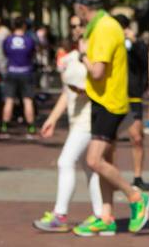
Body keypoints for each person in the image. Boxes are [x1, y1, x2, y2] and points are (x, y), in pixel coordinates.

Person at [73, 0, 149, 237]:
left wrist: (82, 54)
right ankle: (106, 216)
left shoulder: (105, 27)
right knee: (104, 160)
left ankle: (135, 196)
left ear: (82, 7)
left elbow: (97, 72)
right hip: (102, 100)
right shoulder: (98, 26)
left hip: (110, 103)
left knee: (94, 160)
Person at [34, 37, 106, 232]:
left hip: (87, 121)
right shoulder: (72, 58)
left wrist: (84, 90)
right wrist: (52, 119)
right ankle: (101, 215)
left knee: (65, 162)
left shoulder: (96, 59)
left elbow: (100, 89)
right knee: (90, 167)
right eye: (75, 28)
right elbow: (67, 93)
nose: (78, 32)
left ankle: (60, 215)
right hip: (77, 121)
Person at [116, 14, 149, 188]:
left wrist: (135, 42)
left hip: (133, 95)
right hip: (114, 95)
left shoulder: (135, 44)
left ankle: (137, 177)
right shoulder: (110, 41)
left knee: (136, 137)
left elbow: (146, 60)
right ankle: (111, 177)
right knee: (108, 140)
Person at [0, 17, 38, 135]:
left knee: (9, 99)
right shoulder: (29, 40)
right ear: (24, 26)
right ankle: (31, 126)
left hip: (12, 71)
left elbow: (5, 53)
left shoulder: (8, 40)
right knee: (28, 100)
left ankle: (4, 125)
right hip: (26, 72)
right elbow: (33, 54)